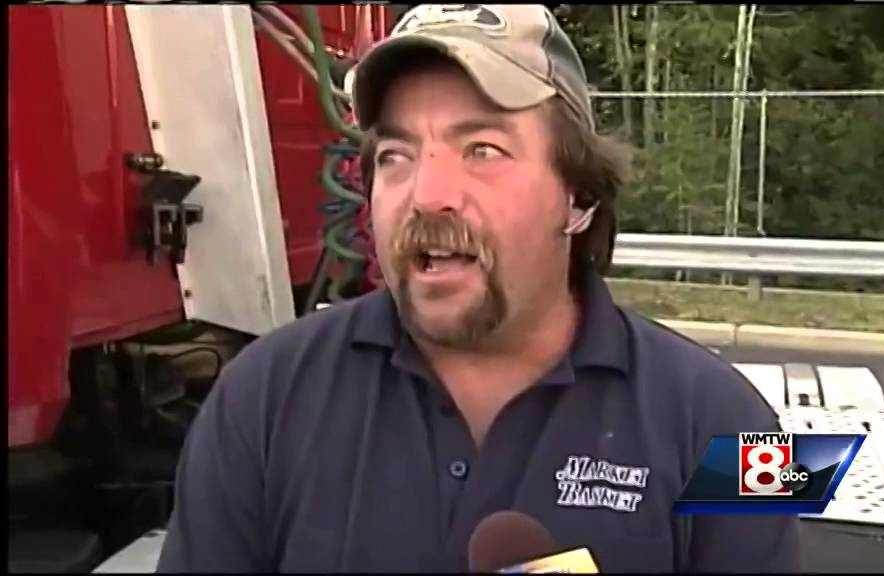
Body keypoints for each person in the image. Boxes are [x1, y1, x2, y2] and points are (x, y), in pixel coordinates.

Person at [157, 4, 801, 573]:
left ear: (576, 196)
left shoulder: (731, 424)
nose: (427, 193)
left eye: (483, 149)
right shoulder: (260, 398)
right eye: (396, 156)